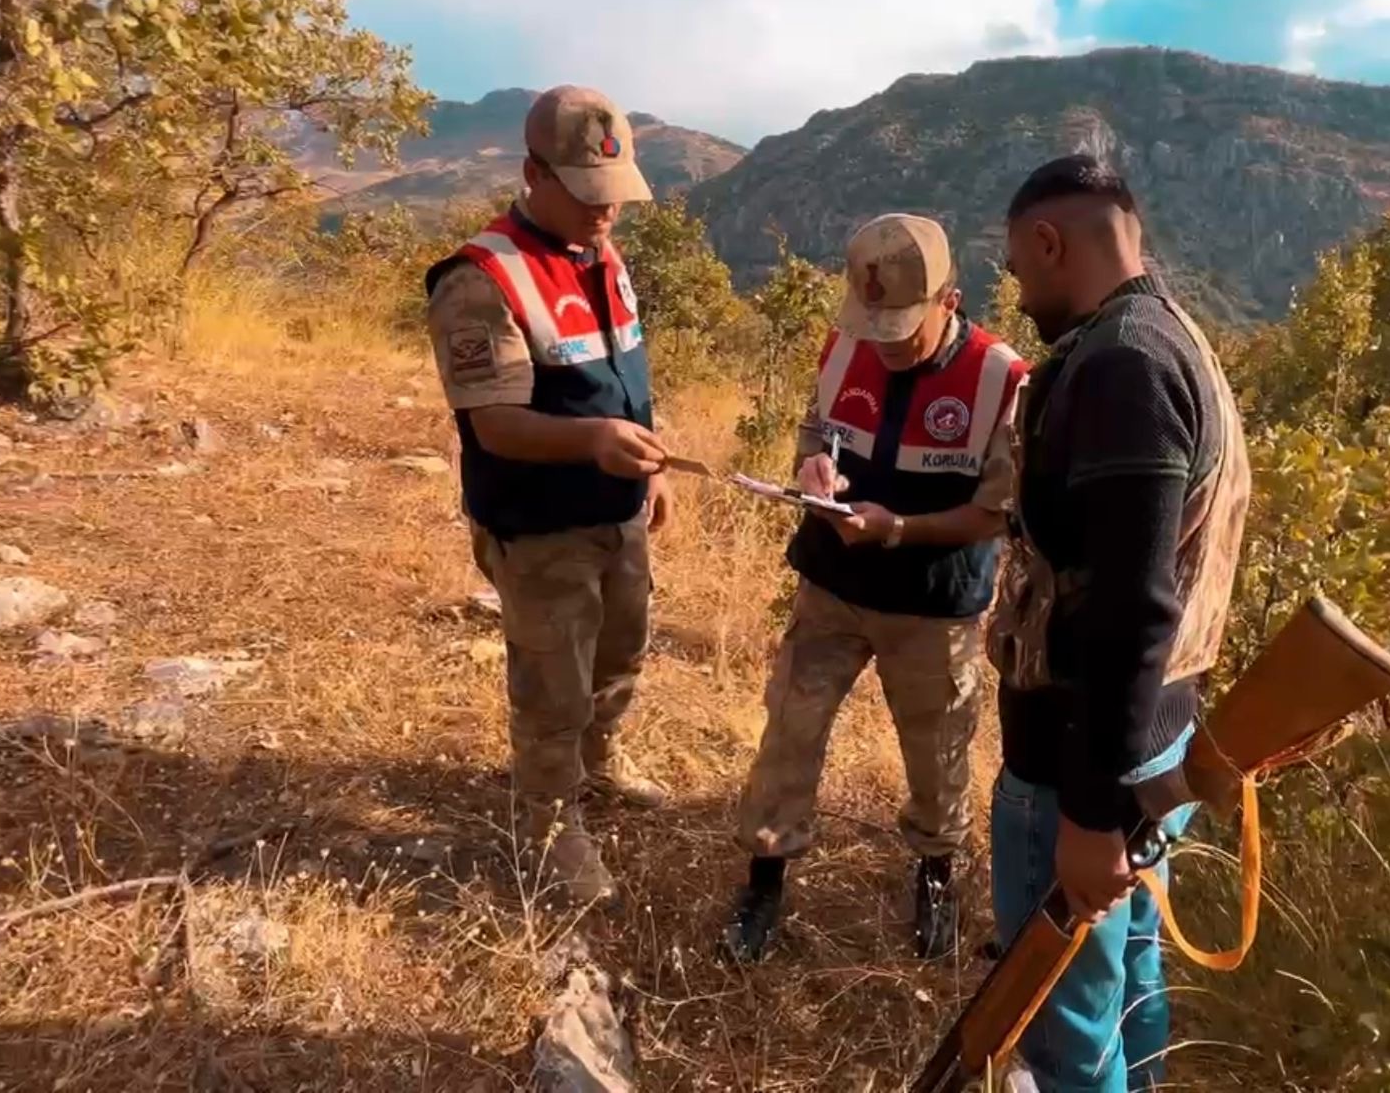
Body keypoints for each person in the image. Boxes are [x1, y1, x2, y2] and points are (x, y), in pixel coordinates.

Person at [984, 156, 1251, 1091]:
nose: (1020, 296)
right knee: (1131, 992)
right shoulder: (1179, 340)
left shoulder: (1122, 363)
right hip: (1146, 746)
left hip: (1079, 766)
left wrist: (1090, 816)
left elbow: (1133, 604)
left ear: (1051, 243)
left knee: (1066, 1035)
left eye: (1020, 270)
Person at [723, 213, 1028, 963]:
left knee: (937, 751)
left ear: (950, 301)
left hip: (932, 602)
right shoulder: (846, 344)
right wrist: (811, 469)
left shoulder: (1002, 379)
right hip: (833, 585)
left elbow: (996, 511)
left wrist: (897, 529)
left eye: (904, 327)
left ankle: (934, 873)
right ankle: (764, 877)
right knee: (790, 730)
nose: (886, 342)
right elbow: (813, 428)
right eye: (875, 323)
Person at [421, 85, 674, 908]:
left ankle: (600, 762)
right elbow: (494, 423)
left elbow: (625, 373)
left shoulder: (601, 255)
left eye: (615, 196)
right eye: (586, 194)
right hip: (539, 527)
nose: (606, 213)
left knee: (621, 649)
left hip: (617, 510)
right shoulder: (480, 278)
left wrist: (652, 466)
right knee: (552, 683)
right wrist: (596, 442)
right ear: (533, 174)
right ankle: (547, 822)